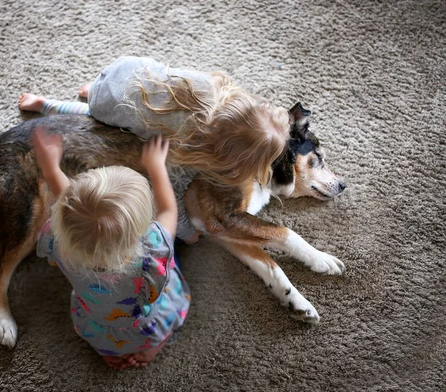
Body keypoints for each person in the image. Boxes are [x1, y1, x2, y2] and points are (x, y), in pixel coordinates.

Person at [20, 56, 291, 243]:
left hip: (125, 72)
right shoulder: (184, 145)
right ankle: (47, 104)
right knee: (95, 119)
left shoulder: (209, 86)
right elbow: (172, 195)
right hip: (109, 106)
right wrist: (186, 232)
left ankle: (91, 90)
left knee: (118, 97)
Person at [33, 128, 190, 370]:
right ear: (138, 234)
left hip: (96, 327)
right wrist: (156, 167)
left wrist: (51, 169)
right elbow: (169, 210)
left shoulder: (59, 243)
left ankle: (109, 352)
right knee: (171, 284)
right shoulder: (150, 257)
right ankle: (151, 350)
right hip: (144, 329)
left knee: (108, 337)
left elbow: (69, 203)